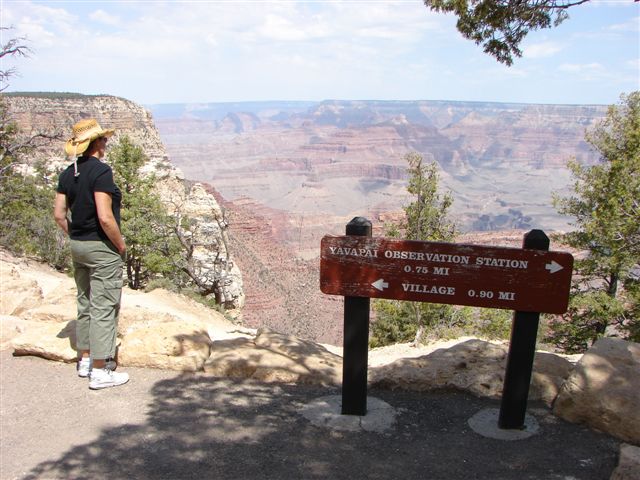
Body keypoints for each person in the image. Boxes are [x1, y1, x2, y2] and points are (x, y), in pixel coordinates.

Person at [54, 118, 129, 390]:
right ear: (96, 143)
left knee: (85, 302)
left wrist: (76, 234)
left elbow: (59, 215)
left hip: (78, 246)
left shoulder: (67, 173)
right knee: (104, 306)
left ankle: (84, 359)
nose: (106, 143)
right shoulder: (101, 172)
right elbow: (105, 217)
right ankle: (100, 370)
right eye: (104, 139)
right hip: (101, 247)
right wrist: (120, 245)